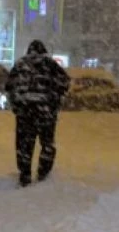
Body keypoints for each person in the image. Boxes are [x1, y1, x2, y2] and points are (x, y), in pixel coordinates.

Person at [5, 40, 70, 187]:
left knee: (24, 145)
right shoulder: (50, 65)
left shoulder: (20, 65)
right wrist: (54, 99)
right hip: (45, 113)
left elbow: (9, 86)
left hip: (25, 113)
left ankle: (25, 174)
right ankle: (43, 173)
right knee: (47, 143)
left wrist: (17, 105)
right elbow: (65, 83)